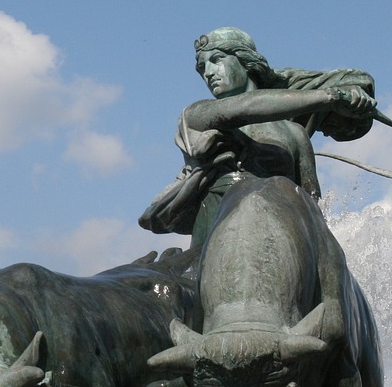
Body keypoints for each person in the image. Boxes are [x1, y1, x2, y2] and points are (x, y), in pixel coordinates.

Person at [140, 27, 377, 247]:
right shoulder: (197, 115)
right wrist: (331, 98)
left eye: (217, 60)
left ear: (247, 63)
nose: (209, 73)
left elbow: (312, 204)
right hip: (215, 239)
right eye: (202, 68)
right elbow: (246, 107)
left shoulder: (294, 133)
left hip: (282, 238)